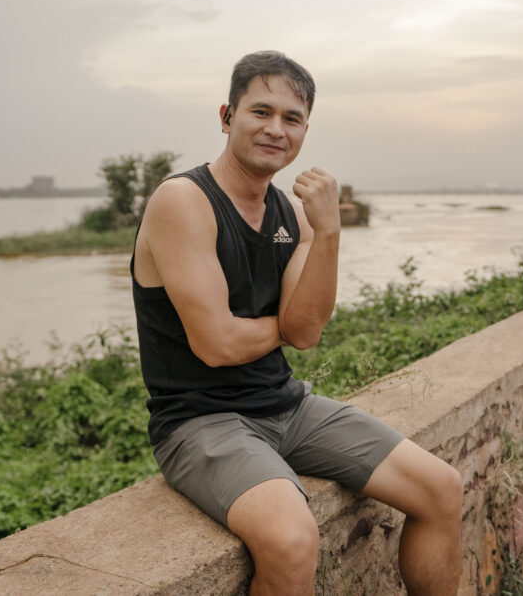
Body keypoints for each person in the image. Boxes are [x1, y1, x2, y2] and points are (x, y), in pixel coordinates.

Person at [131, 51, 462, 595]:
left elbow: (306, 331)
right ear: (226, 116)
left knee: (441, 488)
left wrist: (328, 231)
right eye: (260, 111)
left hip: (288, 407)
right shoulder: (183, 200)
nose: (275, 129)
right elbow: (217, 345)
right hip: (199, 421)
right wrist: (280, 327)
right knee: (291, 539)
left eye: (292, 118)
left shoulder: (292, 213)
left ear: (305, 131)